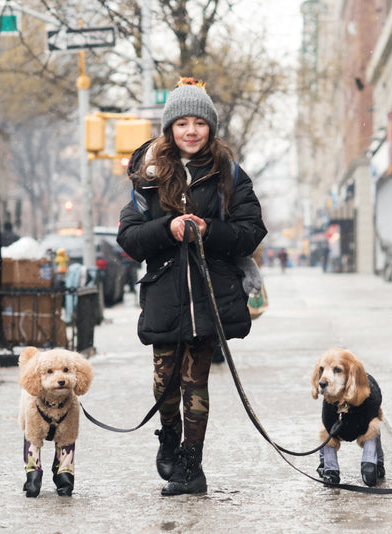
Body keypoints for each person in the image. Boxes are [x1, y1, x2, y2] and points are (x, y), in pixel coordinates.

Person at [117, 78, 267, 496]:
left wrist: (209, 230)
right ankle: (168, 436)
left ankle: (191, 466)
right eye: (181, 122)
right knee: (164, 382)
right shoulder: (147, 173)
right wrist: (168, 227)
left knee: (194, 381)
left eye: (199, 122)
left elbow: (251, 231)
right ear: (170, 129)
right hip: (165, 292)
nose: (191, 130)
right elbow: (129, 238)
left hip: (210, 293)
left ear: (210, 127)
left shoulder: (230, 174)